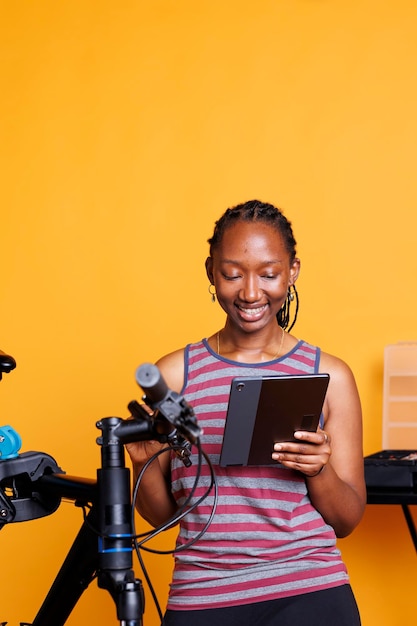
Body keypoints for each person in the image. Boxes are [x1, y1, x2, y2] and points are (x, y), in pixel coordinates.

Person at [126, 199, 366, 626]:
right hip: (202, 596)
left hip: (308, 590)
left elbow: (347, 519)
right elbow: (164, 518)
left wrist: (318, 471)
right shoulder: (172, 377)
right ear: (210, 271)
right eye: (232, 274)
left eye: (269, 274)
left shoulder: (329, 375)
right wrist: (142, 463)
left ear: (292, 271)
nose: (251, 293)